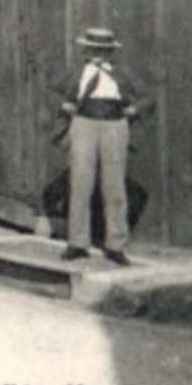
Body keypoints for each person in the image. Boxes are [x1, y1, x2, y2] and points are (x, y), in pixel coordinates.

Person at [57, 26, 146, 266]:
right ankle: (77, 243)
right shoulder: (77, 71)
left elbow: (148, 97)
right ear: (85, 49)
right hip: (84, 123)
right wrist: (65, 105)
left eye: (103, 50)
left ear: (110, 52)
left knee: (114, 185)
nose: (98, 54)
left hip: (114, 125)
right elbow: (54, 91)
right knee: (80, 182)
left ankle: (115, 245)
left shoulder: (123, 73)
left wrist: (133, 109)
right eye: (93, 49)